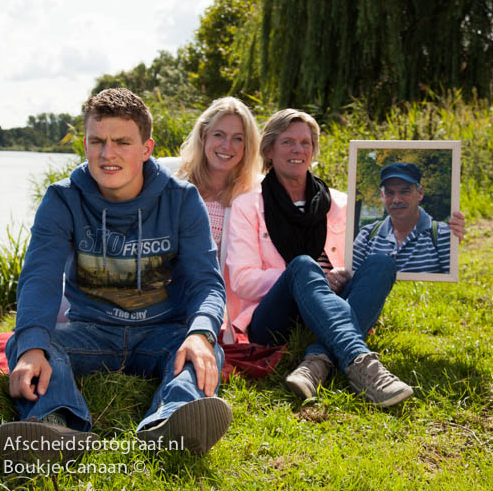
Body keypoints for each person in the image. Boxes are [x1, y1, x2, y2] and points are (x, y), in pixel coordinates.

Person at [0, 88, 231, 462]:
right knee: (30, 343)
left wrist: (201, 332)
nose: (108, 154)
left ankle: (171, 422)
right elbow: (40, 278)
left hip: (163, 331)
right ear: (85, 145)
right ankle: (56, 424)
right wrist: (32, 346)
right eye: (97, 141)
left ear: (147, 148)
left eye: (122, 142)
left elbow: (207, 283)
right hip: (91, 330)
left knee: (202, 351)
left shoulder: (182, 199)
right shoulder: (62, 199)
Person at [225, 109, 414, 407]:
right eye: (287, 142)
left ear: (313, 150)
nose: (298, 150)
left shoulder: (341, 202)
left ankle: (317, 360)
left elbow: (389, 239)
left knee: (382, 263)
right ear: (270, 150)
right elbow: (242, 280)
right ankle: (359, 361)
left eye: (305, 142)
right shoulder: (247, 205)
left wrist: (444, 227)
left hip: (331, 304)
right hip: (274, 316)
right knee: (302, 265)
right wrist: (312, 277)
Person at [177, 96, 262, 342]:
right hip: (173, 295)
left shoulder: (253, 196)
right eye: (219, 135)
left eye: (238, 139)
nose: (227, 146)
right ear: (204, 136)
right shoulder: (177, 186)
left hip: (225, 305)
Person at [352, 162, 465, 273]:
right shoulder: (367, 235)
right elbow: (350, 280)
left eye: (404, 192)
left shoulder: (442, 234)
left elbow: (451, 286)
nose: (396, 200)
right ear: (382, 196)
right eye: (390, 193)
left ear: (420, 193)